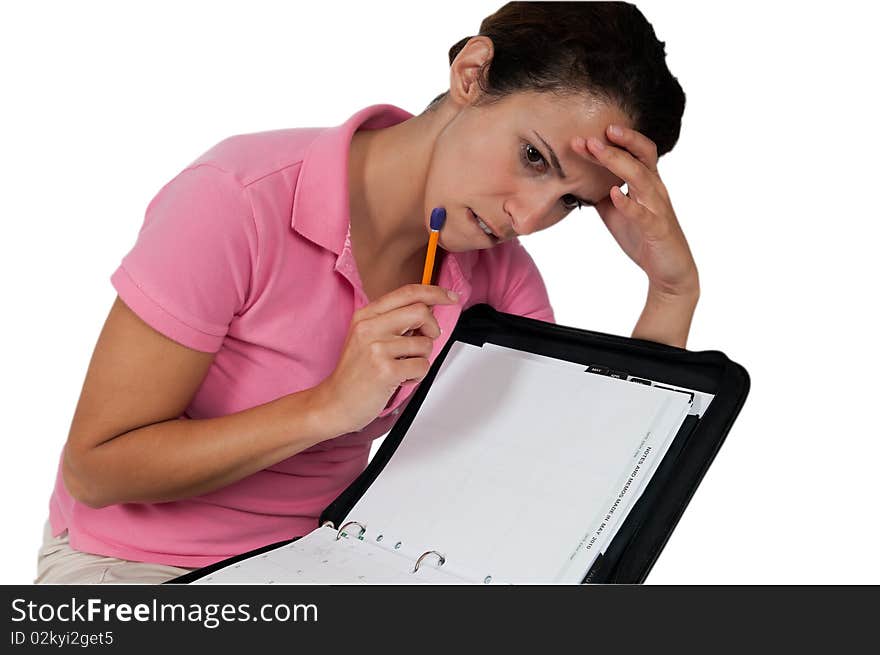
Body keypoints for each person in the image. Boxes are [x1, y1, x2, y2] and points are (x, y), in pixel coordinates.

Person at [35, 1, 697, 584]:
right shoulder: (236, 198)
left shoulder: (498, 272)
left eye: (569, 202)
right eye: (532, 157)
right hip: (135, 563)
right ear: (472, 74)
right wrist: (328, 407)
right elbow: (99, 468)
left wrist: (668, 293)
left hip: (327, 561)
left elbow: (566, 480)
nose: (526, 215)